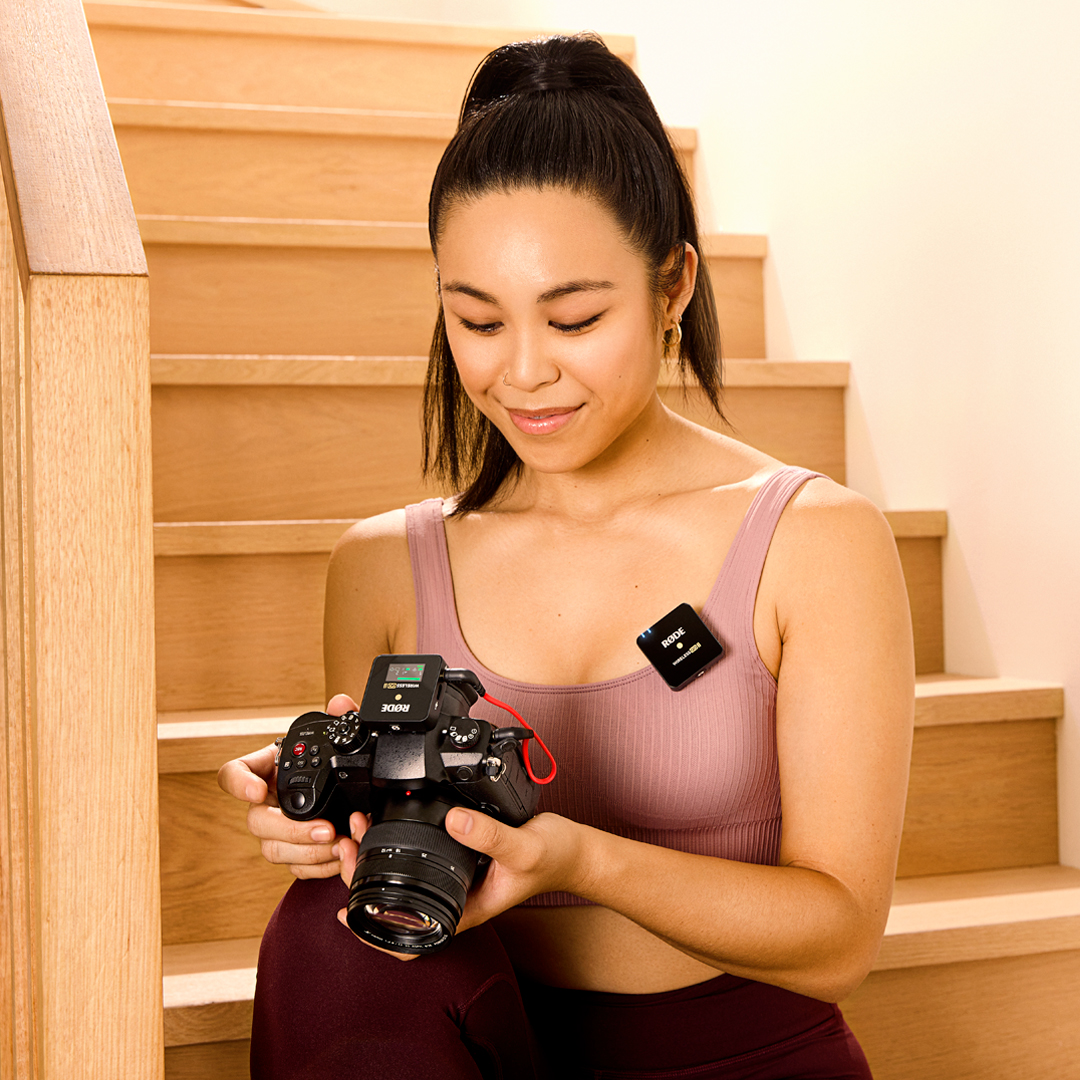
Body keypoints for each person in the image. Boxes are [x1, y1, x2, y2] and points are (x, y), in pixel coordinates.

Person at [218, 33, 914, 1080]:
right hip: (482, 1045)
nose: (526, 373)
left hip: (741, 1054)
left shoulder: (813, 541)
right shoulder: (382, 566)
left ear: (673, 284)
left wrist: (580, 856)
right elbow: (387, 883)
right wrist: (324, 824)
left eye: (576, 317)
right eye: (478, 321)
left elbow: (841, 939)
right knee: (326, 931)